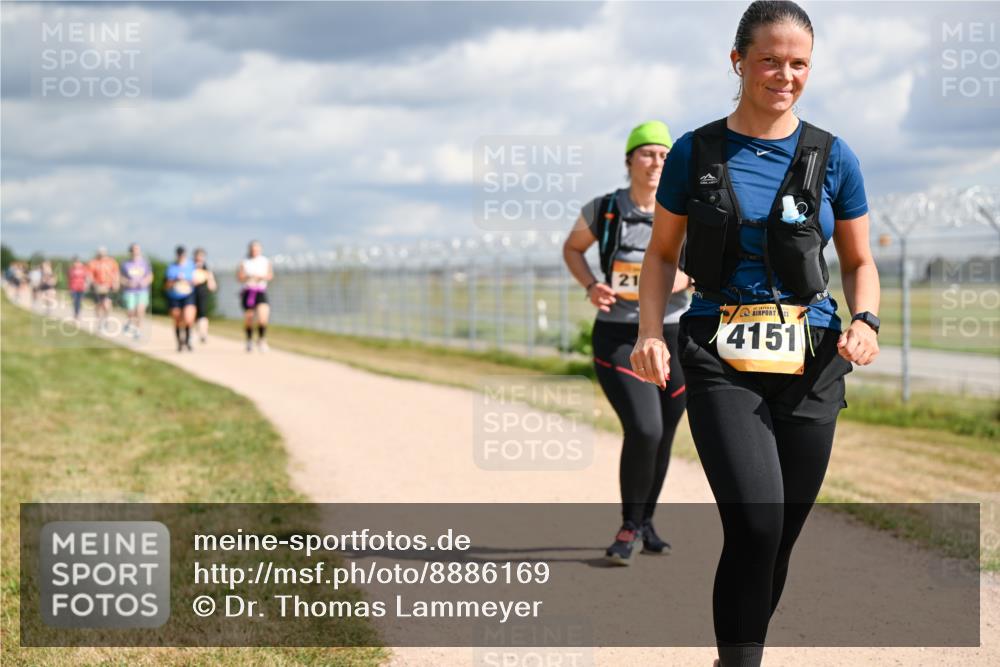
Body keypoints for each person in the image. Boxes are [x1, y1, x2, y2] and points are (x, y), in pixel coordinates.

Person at [630, 2, 880, 665]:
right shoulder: (695, 151)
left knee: (778, 537)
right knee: (755, 523)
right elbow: (660, 256)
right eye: (769, 59)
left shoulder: (835, 155)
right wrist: (650, 331)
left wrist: (865, 319)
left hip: (814, 361)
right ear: (738, 61)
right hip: (718, 351)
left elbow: (859, 262)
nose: (784, 74)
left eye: (799, 63)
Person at [563, 121, 691, 565]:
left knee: (664, 434)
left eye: (664, 155)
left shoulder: (683, 208)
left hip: (675, 334)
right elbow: (572, 249)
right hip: (620, 336)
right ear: (629, 160)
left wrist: (688, 275)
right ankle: (629, 525)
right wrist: (591, 286)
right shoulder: (604, 209)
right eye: (647, 153)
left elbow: (705, 259)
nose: (656, 162)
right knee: (645, 428)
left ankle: (647, 520)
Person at [237, 240, 273, 353]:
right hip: (248, 291)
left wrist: (261, 277)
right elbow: (239, 277)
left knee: (263, 317)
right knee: (249, 318)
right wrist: (248, 277)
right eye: (253, 249)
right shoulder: (245, 262)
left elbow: (270, 275)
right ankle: (249, 340)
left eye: (256, 249)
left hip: (261, 291)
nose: (254, 251)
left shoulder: (265, 261)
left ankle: (262, 339)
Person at [164, 245, 197, 352]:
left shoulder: (192, 265)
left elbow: (196, 280)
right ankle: (179, 342)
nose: (181, 257)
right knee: (177, 319)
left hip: (188, 294)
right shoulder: (171, 267)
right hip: (174, 295)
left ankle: (187, 340)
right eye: (179, 255)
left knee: (188, 318)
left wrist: (187, 281)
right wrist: (175, 280)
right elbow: (167, 285)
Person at [121, 243, 153, 339]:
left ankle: (137, 330)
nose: (136, 251)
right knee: (131, 311)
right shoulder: (125, 264)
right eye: (134, 249)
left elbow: (150, 276)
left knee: (140, 310)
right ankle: (130, 322)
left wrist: (145, 282)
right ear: (131, 251)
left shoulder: (145, 263)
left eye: (137, 249)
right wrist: (127, 282)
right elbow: (120, 278)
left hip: (142, 291)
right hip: (129, 291)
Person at [88, 247, 120, 331]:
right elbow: (90, 275)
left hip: (108, 286)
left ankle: (105, 320)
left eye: (103, 252)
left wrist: (116, 283)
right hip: (97, 287)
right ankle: (99, 322)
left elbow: (116, 273)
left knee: (107, 305)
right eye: (100, 252)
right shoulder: (93, 262)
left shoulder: (112, 262)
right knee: (98, 305)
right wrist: (94, 284)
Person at [192, 248, 218, 344]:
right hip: (191, 293)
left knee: (202, 314)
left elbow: (212, 284)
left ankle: (203, 334)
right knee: (193, 313)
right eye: (198, 256)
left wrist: (210, 281)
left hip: (202, 293)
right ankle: (194, 333)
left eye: (201, 256)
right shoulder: (190, 266)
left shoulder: (206, 268)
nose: (199, 258)